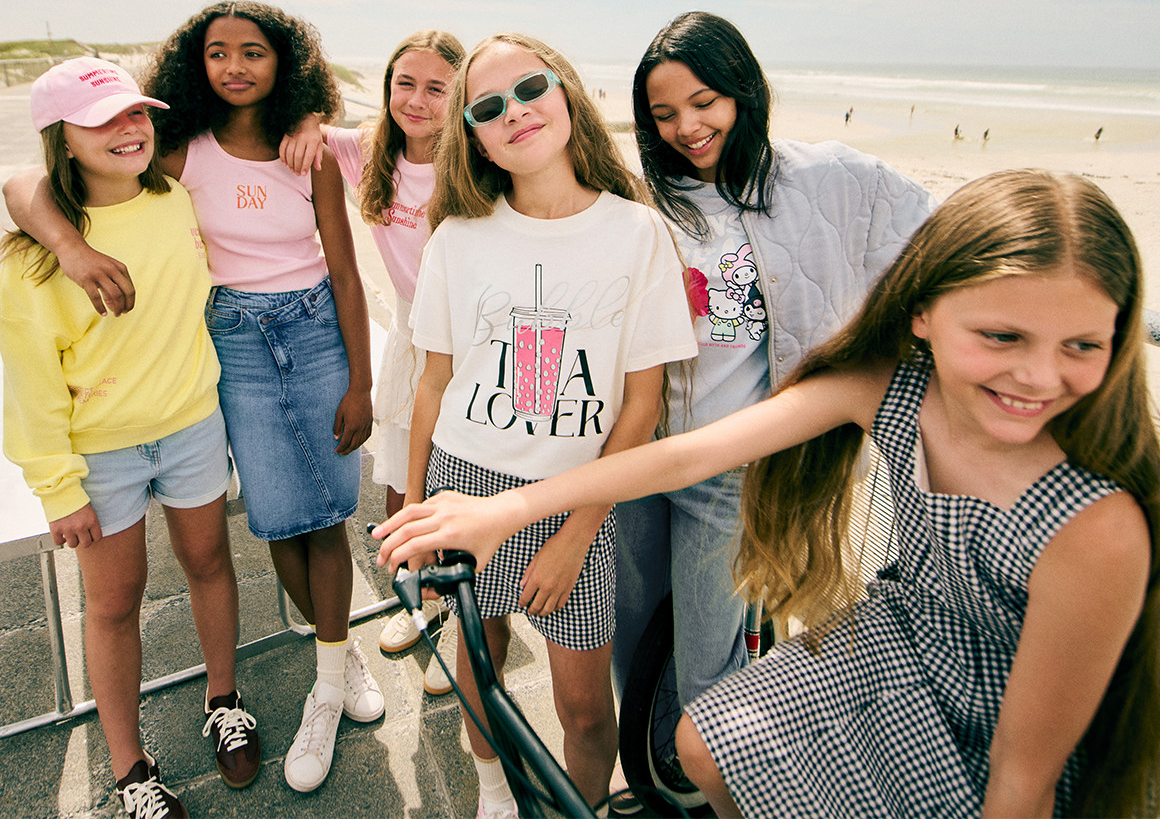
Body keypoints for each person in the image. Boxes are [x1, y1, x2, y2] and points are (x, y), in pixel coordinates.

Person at [377, 169, 1160, 819]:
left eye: (1083, 346)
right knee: (703, 742)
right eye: (1003, 337)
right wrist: (511, 508)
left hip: (1000, 719)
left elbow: (1021, 780)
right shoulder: (894, 390)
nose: (1039, 377)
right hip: (899, 639)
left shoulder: (1097, 528)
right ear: (921, 311)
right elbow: (687, 457)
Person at [5, 2, 385, 794]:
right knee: (279, 515)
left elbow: (348, 268)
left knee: (317, 516)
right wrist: (70, 248)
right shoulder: (174, 156)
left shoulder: (300, 150)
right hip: (232, 345)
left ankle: (318, 665)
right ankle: (329, 650)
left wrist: (361, 378)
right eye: (219, 53)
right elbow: (29, 183)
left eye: (255, 52)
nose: (237, 67)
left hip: (303, 338)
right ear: (194, 66)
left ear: (286, 64)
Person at [401, 33, 697, 817]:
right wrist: (413, 502)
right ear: (473, 135)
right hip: (466, 479)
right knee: (482, 658)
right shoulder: (458, 240)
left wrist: (577, 530)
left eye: (530, 90)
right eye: (489, 107)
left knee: (588, 708)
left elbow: (643, 403)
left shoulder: (637, 233)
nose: (516, 114)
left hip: (578, 492)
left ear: (566, 92)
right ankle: (494, 791)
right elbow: (432, 384)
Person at [618, 11, 933, 713]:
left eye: (705, 103)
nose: (687, 128)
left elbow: (950, 238)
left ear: (744, 91)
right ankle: (655, 769)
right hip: (637, 456)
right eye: (664, 114)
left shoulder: (827, 178)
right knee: (632, 643)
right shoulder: (647, 198)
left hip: (729, 472)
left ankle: (708, 776)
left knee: (708, 670)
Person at [1, 58, 261, 818]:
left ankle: (224, 701)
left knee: (211, 563)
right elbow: (31, 386)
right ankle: (130, 768)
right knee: (113, 604)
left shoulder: (174, 198)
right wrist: (57, 486)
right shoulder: (31, 258)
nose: (129, 129)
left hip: (190, 425)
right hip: (100, 452)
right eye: (104, 119)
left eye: (137, 113)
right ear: (61, 138)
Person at [320, 29, 465, 690]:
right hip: (412, 333)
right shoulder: (368, 150)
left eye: (437, 87)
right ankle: (422, 596)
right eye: (405, 82)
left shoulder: (475, 157)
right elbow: (306, 135)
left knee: (465, 473)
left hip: (474, 338)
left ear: (459, 94)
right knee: (404, 472)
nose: (418, 99)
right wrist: (304, 120)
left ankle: (466, 606)